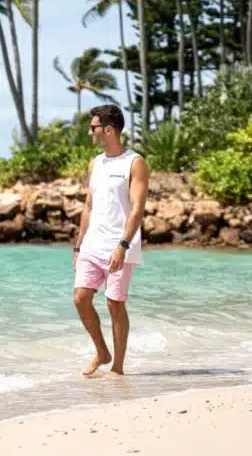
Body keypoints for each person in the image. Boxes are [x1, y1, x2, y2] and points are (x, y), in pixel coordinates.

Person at [71, 103, 149, 377]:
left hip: (120, 245)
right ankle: (102, 352)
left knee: (114, 303)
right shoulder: (95, 163)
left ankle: (117, 367)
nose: (89, 132)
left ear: (108, 130)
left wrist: (123, 245)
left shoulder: (134, 163)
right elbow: (89, 206)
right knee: (81, 298)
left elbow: (137, 209)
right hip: (92, 243)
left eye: (93, 127)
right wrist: (78, 246)